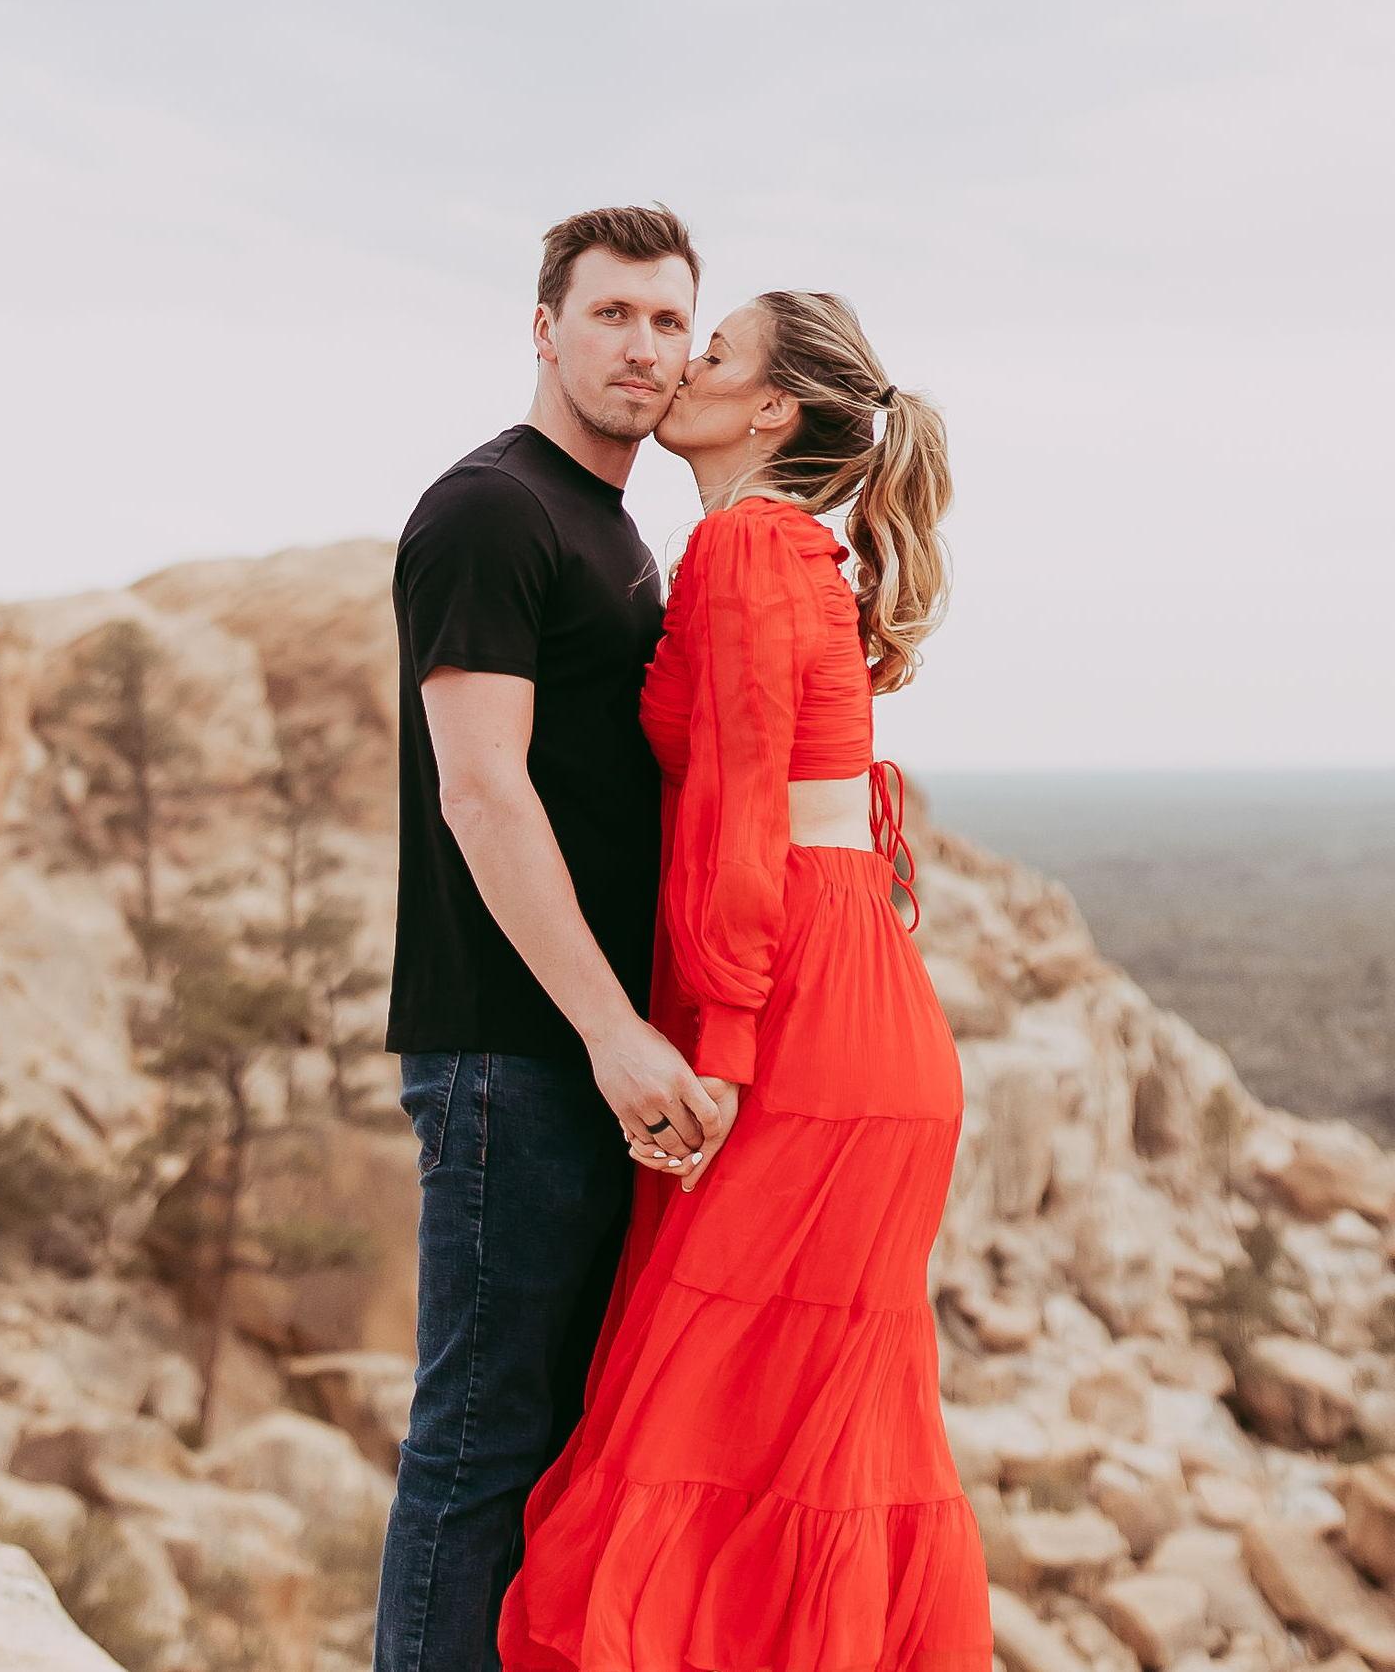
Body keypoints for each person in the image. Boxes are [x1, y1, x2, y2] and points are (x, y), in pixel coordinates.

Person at [498, 289, 991, 1672]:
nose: (677, 364)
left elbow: (742, 825)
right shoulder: (774, 547)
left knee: (707, 1432)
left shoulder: (752, 546)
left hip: (802, 1028)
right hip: (843, 1011)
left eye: (712, 351)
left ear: (770, 409)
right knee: (785, 1446)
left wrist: (717, 1047)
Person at [375, 204, 726, 1672]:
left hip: (573, 1061)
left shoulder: (613, 525)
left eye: (667, 321)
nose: (642, 347)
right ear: (544, 327)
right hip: (511, 1054)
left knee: (556, 1439)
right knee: (480, 1442)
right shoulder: (491, 510)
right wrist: (611, 1028)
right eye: (611, 315)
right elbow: (481, 784)